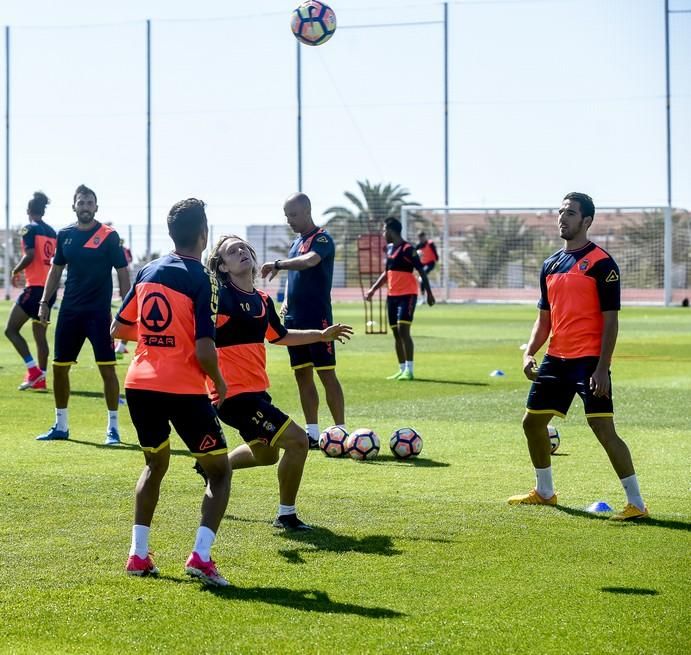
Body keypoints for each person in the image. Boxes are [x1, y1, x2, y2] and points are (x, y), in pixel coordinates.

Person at [112, 198, 232, 585]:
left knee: (154, 465)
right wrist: (218, 380)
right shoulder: (204, 278)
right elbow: (203, 348)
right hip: (181, 387)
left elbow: (120, 328)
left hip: (139, 384)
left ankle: (138, 555)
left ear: (170, 234)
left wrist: (156, 339)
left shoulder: (148, 270)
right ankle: (200, 555)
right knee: (219, 471)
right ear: (204, 233)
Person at [509, 192, 648, 521]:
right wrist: (530, 352)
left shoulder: (602, 263)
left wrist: (603, 367)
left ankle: (637, 504)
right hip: (556, 359)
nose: (562, 217)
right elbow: (544, 319)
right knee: (532, 423)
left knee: (603, 430)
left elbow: (611, 320)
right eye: (560, 212)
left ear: (586, 221)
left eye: (570, 213)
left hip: (589, 361)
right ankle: (545, 492)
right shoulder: (550, 264)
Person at [203, 234, 352, 530]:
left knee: (267, 455)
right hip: (232, 396)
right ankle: (286, 516)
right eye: (233, 251)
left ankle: (211, 468)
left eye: (244, 248)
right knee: (298, 442)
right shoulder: (218, 297)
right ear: (222, 266)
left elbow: (280, 336)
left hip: (257, 393)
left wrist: (321, 335)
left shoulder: (262, 300)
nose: (242, 252)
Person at [36, 185, 130, 445]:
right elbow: (55, 271)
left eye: (90, 202)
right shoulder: (64, 235)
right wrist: (44, 302)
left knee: (108, 370)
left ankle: (113, 428)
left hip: (99, 314)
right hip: (70, 313)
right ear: (74, 206)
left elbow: (122, 271)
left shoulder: (109, 236)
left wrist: (126, 306)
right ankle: (61, 425)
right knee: (59, 368)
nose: (85, 206)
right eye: (81, 202)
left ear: (96, 207)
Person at [259, 192, 346, 449]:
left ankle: (341, 431)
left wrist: (278, 264)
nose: (289, 220)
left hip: (318, 319)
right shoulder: (295, 243)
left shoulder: (321, 239)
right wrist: (286, 301)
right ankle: (313, 433)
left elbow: (309, 262)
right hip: (294, 319)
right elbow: (296, 275)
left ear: (307, 212)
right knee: (302, 376)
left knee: (327, 374)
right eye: (287, 216)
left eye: (293, 215)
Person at [365, 217, 435, 380]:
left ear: (390, 231)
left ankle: (409, 370)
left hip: (408, 295)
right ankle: (401, 368)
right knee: (396, 333)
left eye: (384, 230)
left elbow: (422, 271)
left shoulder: (408, 249)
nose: (383, 233)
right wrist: (373, 290)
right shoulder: (389, 249)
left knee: (404, 331)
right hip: (392, 296)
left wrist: (430, 294)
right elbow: (386, 273)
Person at [5, 191, 57, 391]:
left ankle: (33, 370)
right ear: (42, 210)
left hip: (35, 287)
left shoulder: (29, 229)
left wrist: (15, 271)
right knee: (40, 335)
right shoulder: (52, 232)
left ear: (28, 211)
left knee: (10, 330)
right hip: (49, 290)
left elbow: (30, 255)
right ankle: (41, 378)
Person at [414, 230, 439, 302]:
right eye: (419, 238)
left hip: (431, 263)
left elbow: (436, 254)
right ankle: (423, 297)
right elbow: (413, 254)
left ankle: (424, 297)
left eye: (422, 237)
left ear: (425, 237)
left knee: (422, 277)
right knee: (421, 280)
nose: (421, 239)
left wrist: (437, 262)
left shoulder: (430, 244)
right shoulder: (418, 246)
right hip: (423, 264)